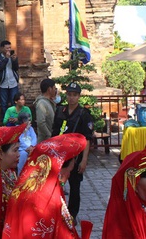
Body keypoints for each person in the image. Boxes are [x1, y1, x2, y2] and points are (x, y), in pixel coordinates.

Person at [2, 133, 91, 239]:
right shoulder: (48, 199)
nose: (69, 175)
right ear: (59, 170)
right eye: (70, 170)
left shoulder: (30, 187)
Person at [52, 82, 93, 223]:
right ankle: (57, 210)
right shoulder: (60, 111)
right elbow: (55, 133)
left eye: (75, 95)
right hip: (61, 155)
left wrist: (84, 160)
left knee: (75, 187)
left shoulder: (84, 114)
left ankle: (72, 214)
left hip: (76, 156)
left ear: (79, 96)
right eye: (69, 95)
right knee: (57, 184)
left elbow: (87, 139)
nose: (71, 98)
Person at [0, 40, 19, 115]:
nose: (9, 50)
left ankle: (15, 120)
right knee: (4, 104)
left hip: (13, 82)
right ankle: (5, 121)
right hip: (3, 83)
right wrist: (6, 58)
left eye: (10, 48)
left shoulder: (12, 56)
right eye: (7, 48)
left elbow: (16, 68)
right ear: (2, 48)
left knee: (14, 102)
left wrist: (14, 60)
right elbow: (0, 67)